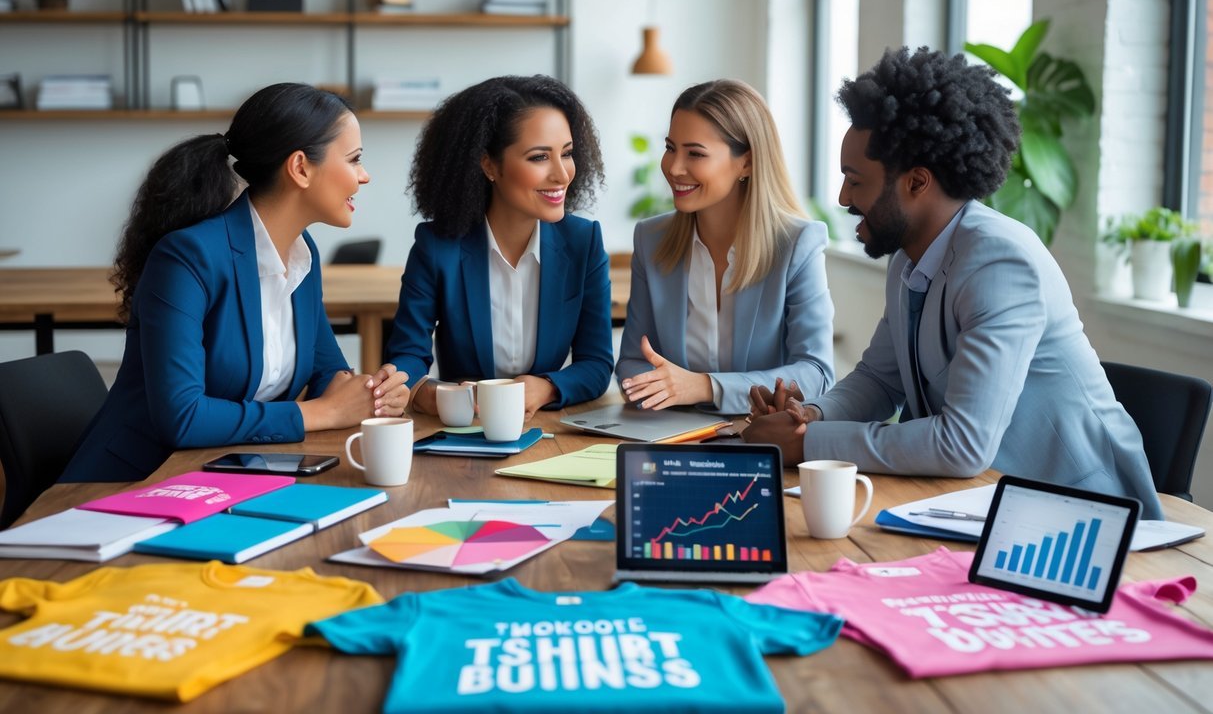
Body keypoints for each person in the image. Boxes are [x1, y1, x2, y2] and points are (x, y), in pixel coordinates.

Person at [744, 47, 1163, 519]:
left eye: (854, 180)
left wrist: (807, 445)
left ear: (917, 183)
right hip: (982, 502)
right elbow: (882, 379)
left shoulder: (1000, 263)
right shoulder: (909, 257)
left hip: (1080, 516)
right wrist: (811, 416)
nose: (843, 197)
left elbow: (963, 444)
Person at [61, 83, 409, 483]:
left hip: (224, 477)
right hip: (129, 484)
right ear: (300, 168)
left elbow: (327, 371)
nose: (364, 176)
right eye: (355, 160)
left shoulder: (301, 253)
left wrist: (373, 394)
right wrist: (324, 412)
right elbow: (183, 416)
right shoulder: (187, 258)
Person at [386, 75, 612, 421]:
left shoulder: (584, 242)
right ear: (489, 165)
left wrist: (546, 387)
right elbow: (407, 355)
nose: (562, 174)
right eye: (539, 158)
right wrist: (432, 394)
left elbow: (596, 364)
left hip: (547, 427)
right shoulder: (437, 247)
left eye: (566, 154)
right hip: (461, 431)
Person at [616, 79, 834, 415]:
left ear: (746, 163)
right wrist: (655, 388)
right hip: (670, 436)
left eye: (695, 153)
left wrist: (704, 387)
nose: (674, 168)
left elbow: (816, 374)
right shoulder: (651, 239)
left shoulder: (797, 245)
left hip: (761, 439)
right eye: (670, 147)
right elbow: (632, 361)